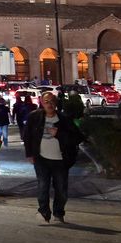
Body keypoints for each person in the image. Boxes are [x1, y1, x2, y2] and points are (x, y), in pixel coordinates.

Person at [23, 91, 84, 223]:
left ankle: (58, 213)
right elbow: (27, 136)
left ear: (56, 103)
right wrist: (29, 154)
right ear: (41, 103)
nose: (49, 104)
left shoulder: (64, 119)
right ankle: (44, 212)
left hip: (60, 160)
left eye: (51, 101)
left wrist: (59, 133)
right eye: (46, 102)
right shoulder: (35, 117)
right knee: (43, 185)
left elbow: (78, 138)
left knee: (61, 188)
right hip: (41, 159)